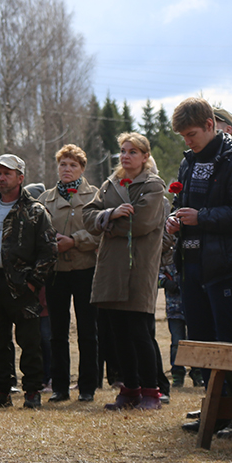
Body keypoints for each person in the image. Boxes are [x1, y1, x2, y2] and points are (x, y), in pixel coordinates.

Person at [167, 97, 232, 437]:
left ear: (209, 125)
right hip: (191, 262)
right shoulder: (188, 161)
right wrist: (176, 220)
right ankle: (216, 409)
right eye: (183, 136)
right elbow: (182, 204)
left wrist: (201, 218)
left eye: (192, 134)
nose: (188, 141)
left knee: (230, 340)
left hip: (224, 263)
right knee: (203, 342)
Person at [84, 133, 168, 410]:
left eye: (133, 151)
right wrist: (110, 214)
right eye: (122, 150)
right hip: (110, 268)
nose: (126, 156)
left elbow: (142, 223)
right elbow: (88, 216)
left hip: (138, 266)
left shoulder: (153, 186)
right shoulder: (110, 184)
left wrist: (107, 224)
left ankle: (151, 391)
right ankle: (129, 390)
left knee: (139, 332)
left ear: (145, 156)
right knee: (117, 333)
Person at [0, 153, 57, 409]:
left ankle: (32, 391)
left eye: (7, 173)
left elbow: (49, 251)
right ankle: (1, 391)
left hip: (22, 287)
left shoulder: (35, 210)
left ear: (20, 177)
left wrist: (33, 282)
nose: (1, 178)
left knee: (30, 341)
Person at [37, 144, 100, 403]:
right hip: (56, 272)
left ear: (82, 169)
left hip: (85, 269)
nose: (67, 169)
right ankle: (60, 386)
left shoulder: (95, 196)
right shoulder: (45, 199)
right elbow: (37, 233)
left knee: (87, 330)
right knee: (58, 332)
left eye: (73, 165)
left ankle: (87, 387)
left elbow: (100, 231)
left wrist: (74, 240)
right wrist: (52, 243)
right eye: (63, 164)